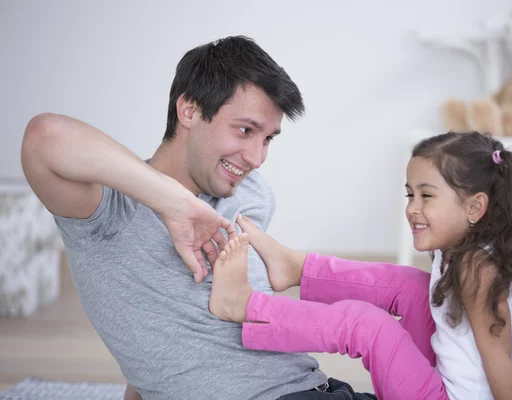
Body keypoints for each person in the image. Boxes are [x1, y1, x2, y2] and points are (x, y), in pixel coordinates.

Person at [20, 35, 357, 400]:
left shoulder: (252, 197)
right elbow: (44, 137)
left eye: (268, 139)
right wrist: (174, 203)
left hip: (319, 388)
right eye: (245, 130)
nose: (257, 158)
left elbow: (174, 337)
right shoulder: (109, 210)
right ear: (190, 110)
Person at [209, 131, 512, 400]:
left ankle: (246, 306)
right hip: (443, 386)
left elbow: (499, 358)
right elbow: (504, 340)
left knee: (369, 326)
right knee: (414, 288)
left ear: (474, 207)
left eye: (427, 195)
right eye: (410, 194)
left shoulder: (478, 269)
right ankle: (295, 268)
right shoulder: (468, 250)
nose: (412, 208)